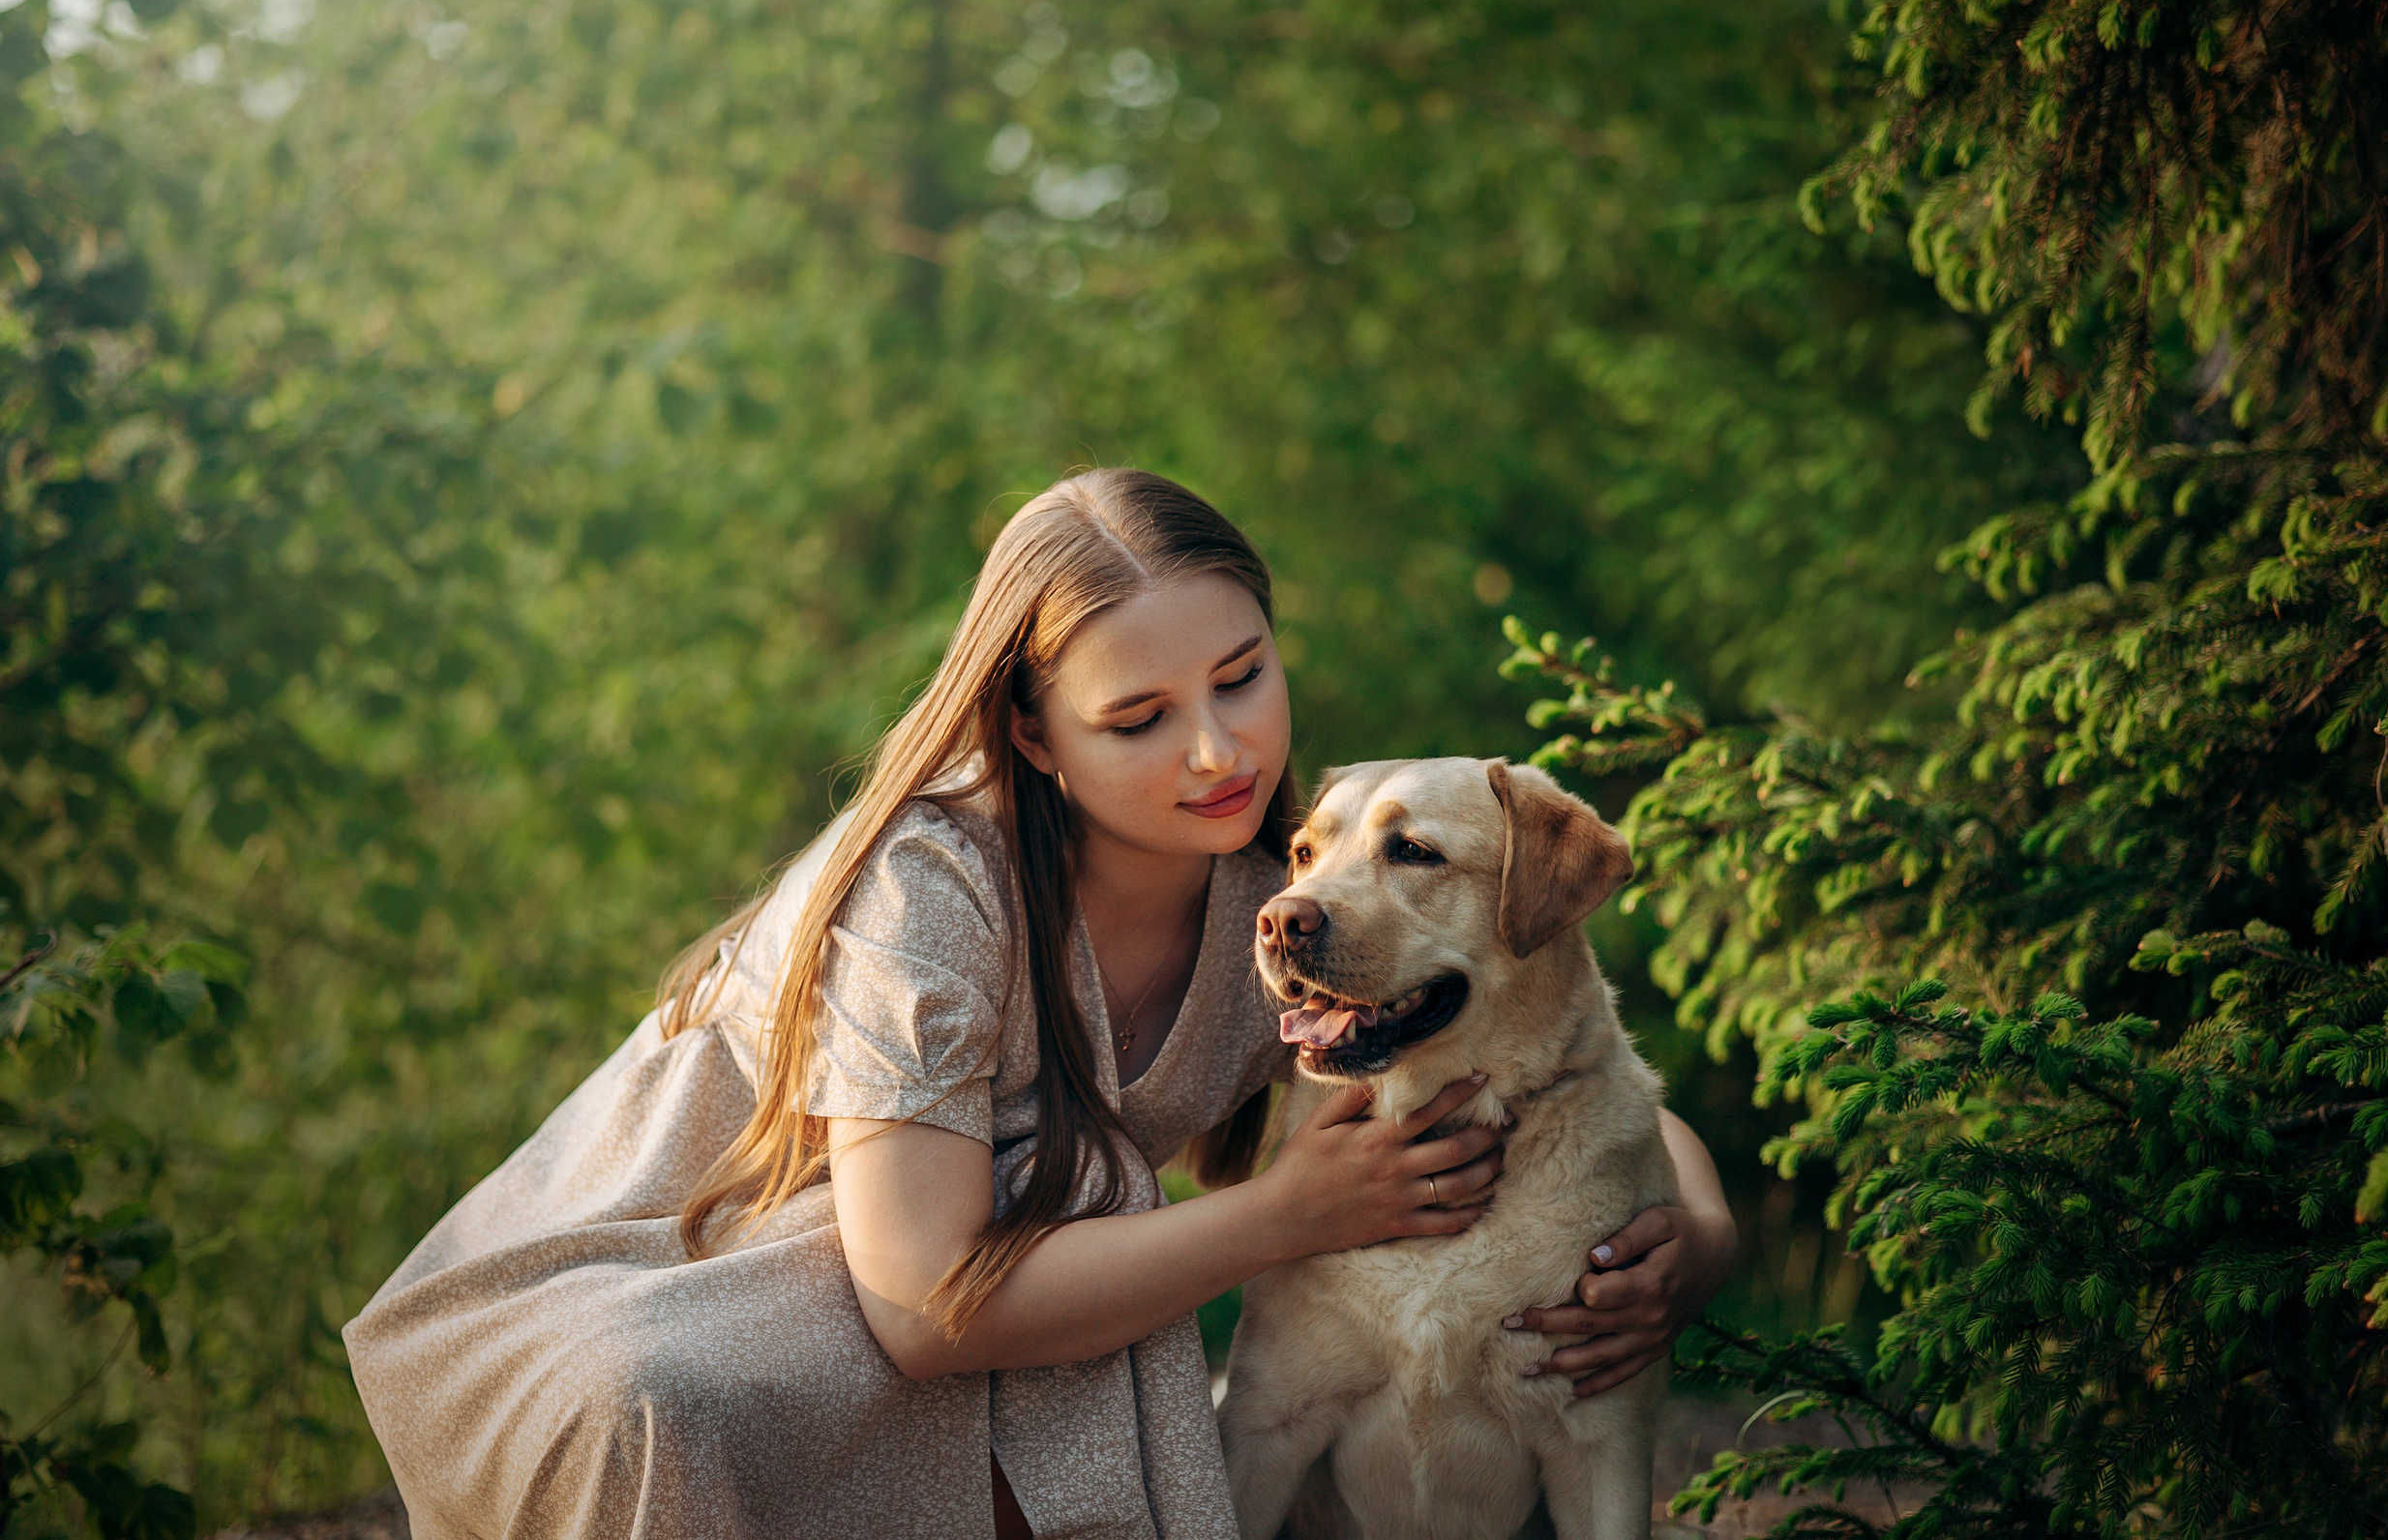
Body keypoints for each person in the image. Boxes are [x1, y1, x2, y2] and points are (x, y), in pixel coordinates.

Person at [343, 469, 1737, 1540]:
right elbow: (924, 1299)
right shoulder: (927, 885)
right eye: (1137, 718)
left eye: (1242, 677)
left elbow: (1555, 1063)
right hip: (675, 1267)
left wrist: (1696, 1235)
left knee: (1086, 1336)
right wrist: (1287, 1215)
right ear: (1031, 730)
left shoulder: (1296, 895)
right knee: (675, 1400)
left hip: (969, 1295)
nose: (1216, 748)